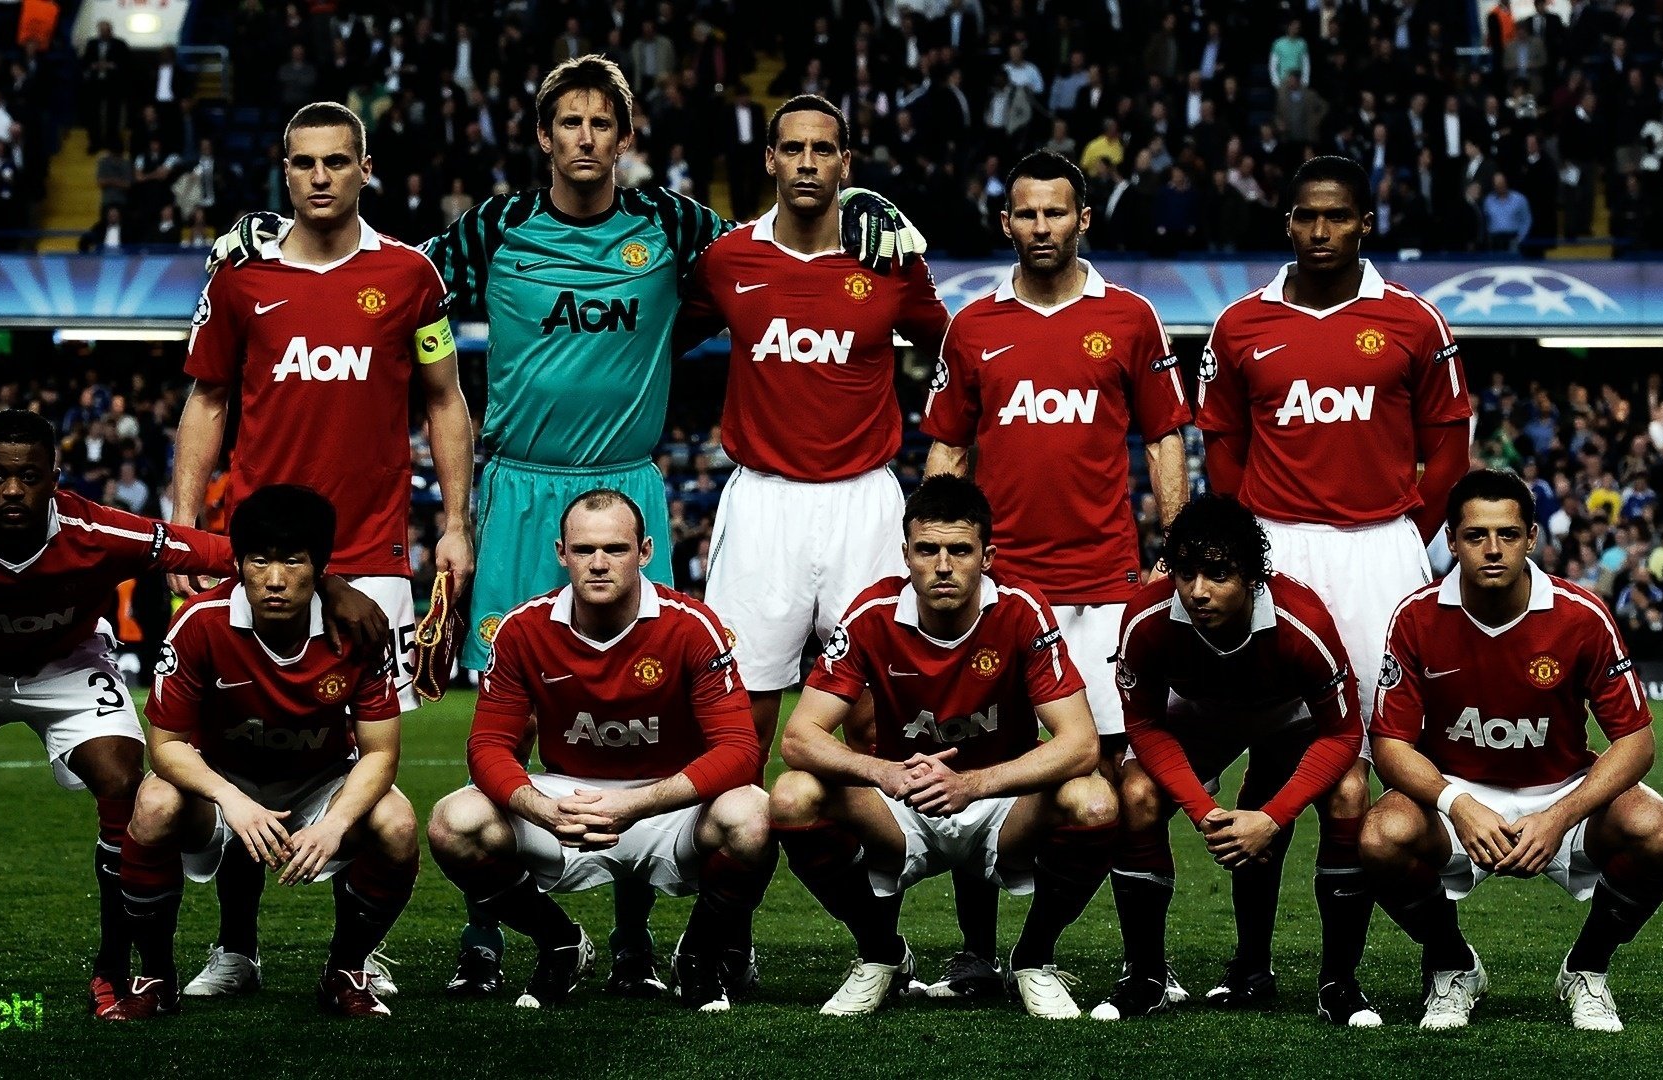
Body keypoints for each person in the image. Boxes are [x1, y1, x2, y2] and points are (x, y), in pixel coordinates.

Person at [208, 59, 924, 997]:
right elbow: (386, 276)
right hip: (516, 493)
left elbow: (780, 243)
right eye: (568, 124)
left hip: (625, 489)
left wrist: (869, 204)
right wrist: (279, 235)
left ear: (624, 137)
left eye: (602, 124)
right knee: (509, 708)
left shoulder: (672, 226)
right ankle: (491, 934)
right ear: (543, 137)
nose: (585, 139)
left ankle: (632, 936)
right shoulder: (496, 228)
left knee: (647, 709)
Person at [0, 410, 383, 1020]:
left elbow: (230, 553)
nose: (13, 490)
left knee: (121, 778)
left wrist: (333, 585)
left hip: (69, 664)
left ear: (54, 477)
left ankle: (113, 972)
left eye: (30, 476)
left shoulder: (100, 530)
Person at [172, 99, 474, 1000]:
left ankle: (352, 956)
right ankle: (236, 948)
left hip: (373, 557)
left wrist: (455, 523)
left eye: (336, 162)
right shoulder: (241, 284)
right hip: (256, 555)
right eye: (303, 163)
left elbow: (445, 400)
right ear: (284, 169)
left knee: (360, 765)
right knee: (241, 748)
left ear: (364, 168)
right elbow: (208, 402)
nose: (318, 178)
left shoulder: (411, 278)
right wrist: (190, 526)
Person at [1195, 153, 1472, 1006]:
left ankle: (1354, 970)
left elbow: (1449, 442)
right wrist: (1247, 549)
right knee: (1273, 753)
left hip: (1380, 551)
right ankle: (1250, 965)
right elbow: (1223, 444)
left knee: (1373, 760)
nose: (1321, 232)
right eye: (1306, 217)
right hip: (1275, 550)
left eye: (1338, 217)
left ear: (1365, 223)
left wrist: (1406, 537)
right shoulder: (1241, 324)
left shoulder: (1414, 323)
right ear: (1287, 223)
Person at [922, 148, 1189, 997]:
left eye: (1056, 212)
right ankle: (975, 954)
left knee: (1112, 779)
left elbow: (1166, 437)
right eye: (1026, 213)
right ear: (1007, 223)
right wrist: (935, 553)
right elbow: (950, 448)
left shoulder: (1132, 317)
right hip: (999, 594)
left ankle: (1117, 959)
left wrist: (1172, 551)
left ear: (1083, 219)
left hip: (1104, 592)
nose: (1042, 226)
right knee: (970, 761)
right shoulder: (974, 326)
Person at [767, 476, 1114, 1018]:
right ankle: (881, 954)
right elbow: (799, 736)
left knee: (1094, 801)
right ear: (906, 554)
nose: (943, 565)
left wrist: (972, 783)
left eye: (960, 550)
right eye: (927, 550)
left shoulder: (1022, 610)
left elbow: (1080, 744)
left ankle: (1033, 960)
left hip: (1001, 805)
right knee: (791, 796)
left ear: (988, 556)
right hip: (901, 801)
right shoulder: (871, 613)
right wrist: (882, 772)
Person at [425, 490, 771, 1013]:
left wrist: (635, 805)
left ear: (646, 551)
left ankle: (700, 953)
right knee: (454, 820)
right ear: (562, 553)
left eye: (616, 548)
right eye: (585, 550)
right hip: (569, 799)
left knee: (753, 814)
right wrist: (542, 808)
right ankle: (560, 941)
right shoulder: (523, 629)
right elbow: (489, 746)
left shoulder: (690, 625)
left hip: (666, 804)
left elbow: (741, 750)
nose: (600, 563)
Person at [682, 92, 951, 762]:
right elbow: (654, 346)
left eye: (822, 149)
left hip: (865, 503)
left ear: (845, 163)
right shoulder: (728, 260)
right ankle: (735, 855)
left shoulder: (888, 262)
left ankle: (872, 864)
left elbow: (957, 352)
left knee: (875, 712)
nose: (807, 163)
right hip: (762, 504)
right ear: (770, 159)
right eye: (794, 149)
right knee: (741, 714)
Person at [1363, 469, 1663, 1031]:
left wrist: (1560, 816)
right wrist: (1456, 804)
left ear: (1531, 538)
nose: (1492, 549)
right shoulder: (1415, 618)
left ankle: (1586, 969)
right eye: (1475, 535)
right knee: (1379, 836)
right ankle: (1451, 965)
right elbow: (1389, 745)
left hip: (1560, 792)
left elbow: (1636, 741)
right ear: (1452, 540)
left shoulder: (1581, 616)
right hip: (1458, 798)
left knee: (1658, 828)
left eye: (1508, 534)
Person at [103, 486, 418, 1020]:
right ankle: (155, 978)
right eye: (259, 560)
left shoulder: (357, 631)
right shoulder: (200, 622)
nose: (274, 579)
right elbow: (165, 747)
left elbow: (381, 753)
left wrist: (334, 823)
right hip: (222, 778)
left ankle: (346, 971)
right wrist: (232, 799)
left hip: (318, 781)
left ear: (321, 567)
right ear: (239, 564)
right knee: (154, 805)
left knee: (399, 823)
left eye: (292, 561)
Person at [1096, 495, 1373, 1025]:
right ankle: (1146, 976)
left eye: (1218, 574)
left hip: (1292, 717)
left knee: (1350, 792)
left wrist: (1272, 816)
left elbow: (1341, 733)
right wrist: (1203, 811)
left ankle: (1338, 983)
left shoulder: (1302, 620)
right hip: (1202, 714)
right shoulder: (1147, 619)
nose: (1198, 591)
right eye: (1186, 573)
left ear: (1251, 576)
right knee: (1136, 794)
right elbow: (1146, 725)